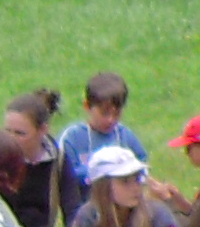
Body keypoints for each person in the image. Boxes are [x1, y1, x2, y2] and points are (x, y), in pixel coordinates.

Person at [57, 73, 151, 210]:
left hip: (123, 209)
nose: (110, 120)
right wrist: (99, 172)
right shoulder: (71, 138)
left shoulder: (124, 136)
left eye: (116, 114)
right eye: (104, 113)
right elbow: (64, 176)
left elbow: (142, 163)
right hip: (85, 209)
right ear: (87, 106)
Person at [0, 93, 71, 227]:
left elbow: (72, 208)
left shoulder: (57, 160)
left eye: (20, 133)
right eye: (8, 131)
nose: (12, 139)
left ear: (42, 130)